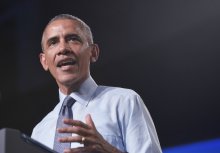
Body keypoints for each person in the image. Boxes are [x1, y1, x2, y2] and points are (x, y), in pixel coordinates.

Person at [31, 14, 162, 153]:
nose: (63, 48)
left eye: (73, 39)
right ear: (44, 61)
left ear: (93, 52)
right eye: (53, 42)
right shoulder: (39, 132)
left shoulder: (125, 102)